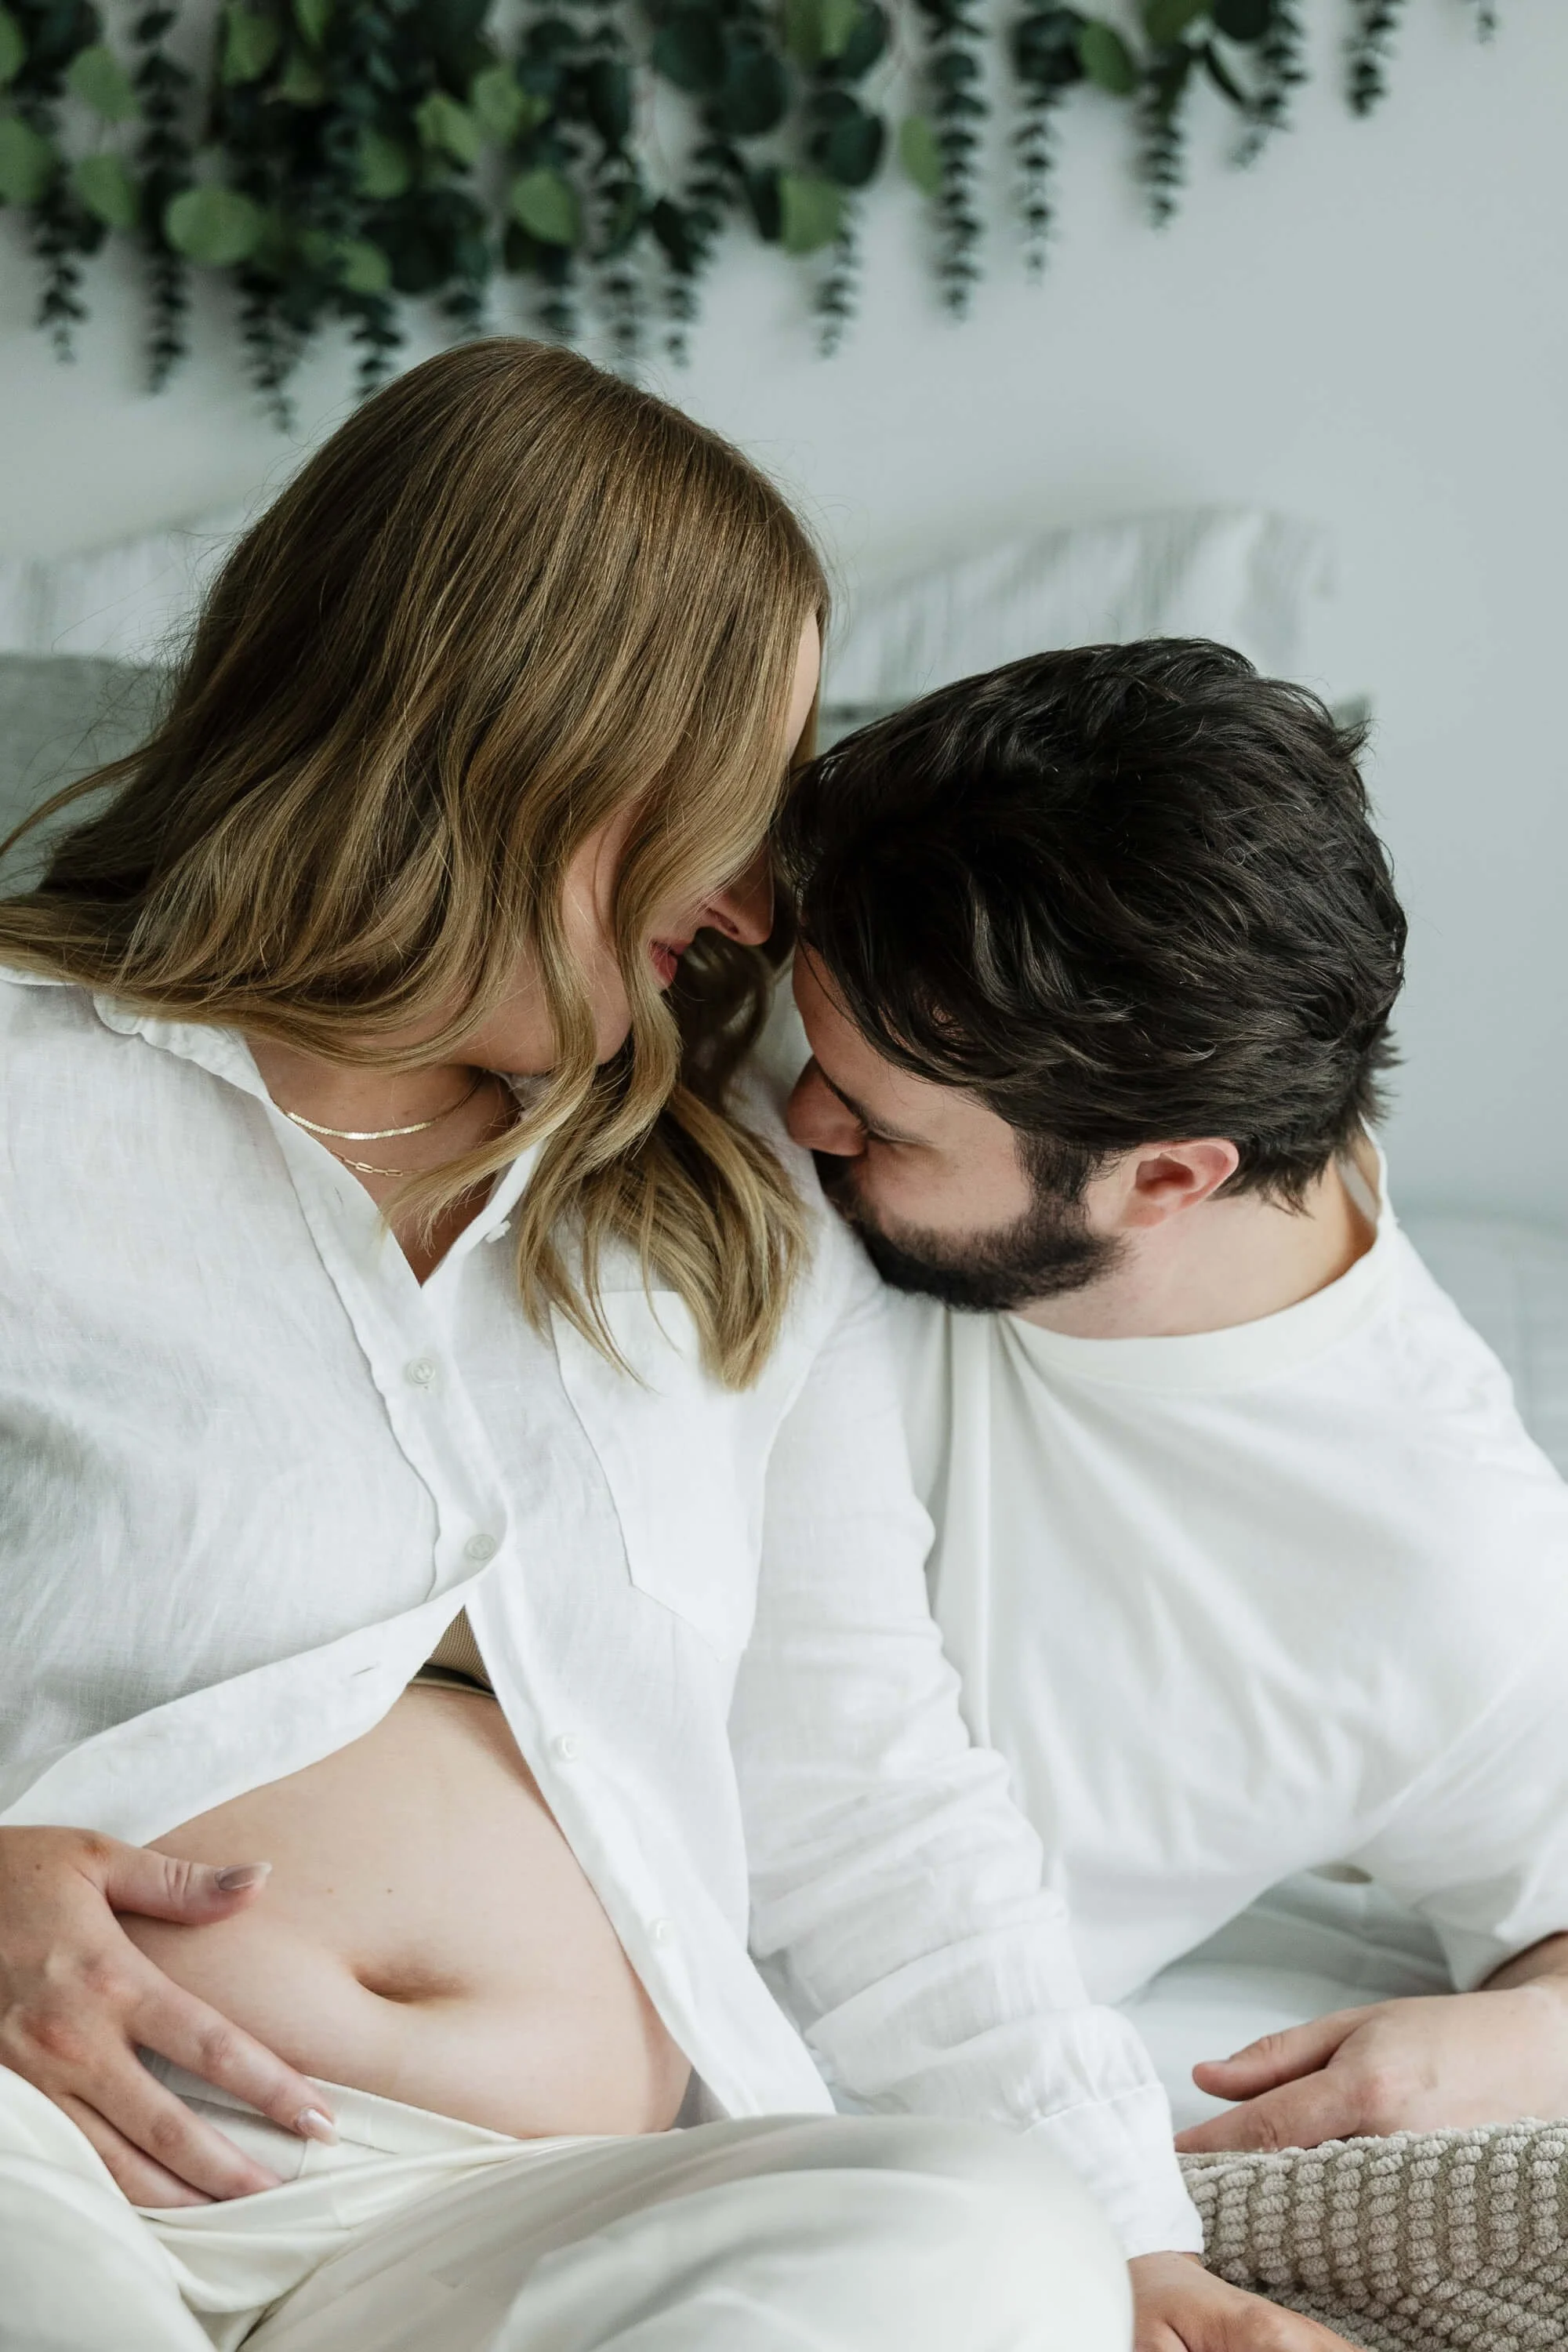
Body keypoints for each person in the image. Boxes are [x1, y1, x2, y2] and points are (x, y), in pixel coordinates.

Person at [0, 344, 1200, 2352]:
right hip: (51, 2134)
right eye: (717, 812)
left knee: (984, 2237)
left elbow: (866, 1785)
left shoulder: (720, 1208)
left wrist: (1133, 2235)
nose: (747, 909)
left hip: (526, 2232)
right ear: (512, 745)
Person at [779, 639, 1568, 2199]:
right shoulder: (855, 1007)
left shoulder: (1437, 1570)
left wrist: (1524, 2045)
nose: (800, 1116)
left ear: (1163, 1176)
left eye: (876, 1124)